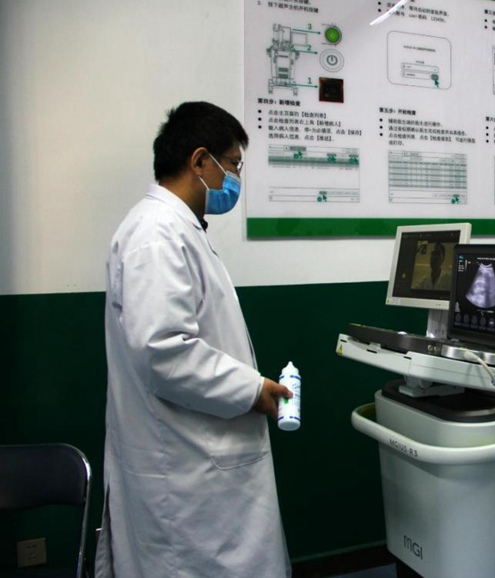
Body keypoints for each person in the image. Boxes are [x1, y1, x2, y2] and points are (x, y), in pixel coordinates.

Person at [96, 102, 293, 577]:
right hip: (186, 472)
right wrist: (253, 390)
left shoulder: (176, 229)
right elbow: (164, 352)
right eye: (233, 164)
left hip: (195, 459)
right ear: (200, 161)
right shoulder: (158, 235)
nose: (235, 178)